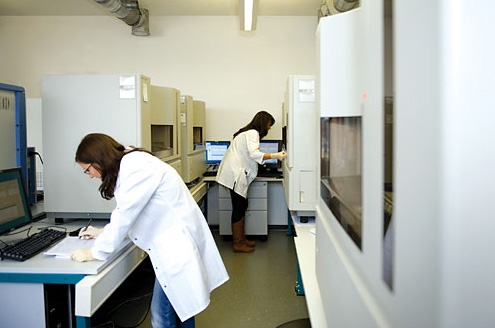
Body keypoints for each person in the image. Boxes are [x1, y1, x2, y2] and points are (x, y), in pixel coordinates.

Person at [70, 133, 229, 328]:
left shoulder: (135, 167)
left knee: (162, 314)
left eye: (87, 170)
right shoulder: (131, 163)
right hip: (173, 244)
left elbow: (125, 214)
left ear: (98, 160)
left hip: (176, 248)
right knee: (182, 306)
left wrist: (93, 252)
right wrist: (103, 233)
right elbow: (133, 213)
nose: (91, 175)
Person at [216, 111, 287, 253]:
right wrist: (276, 155)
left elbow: (248, 155)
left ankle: (241, 239)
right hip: (236, 174)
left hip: (234, 172)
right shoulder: (253, 133)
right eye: (269, 125)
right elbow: (254, 154)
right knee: (238, 207)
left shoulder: (246, 132)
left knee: (242, 205)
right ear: (263, 123)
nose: (269, 128)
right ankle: (238, 243)